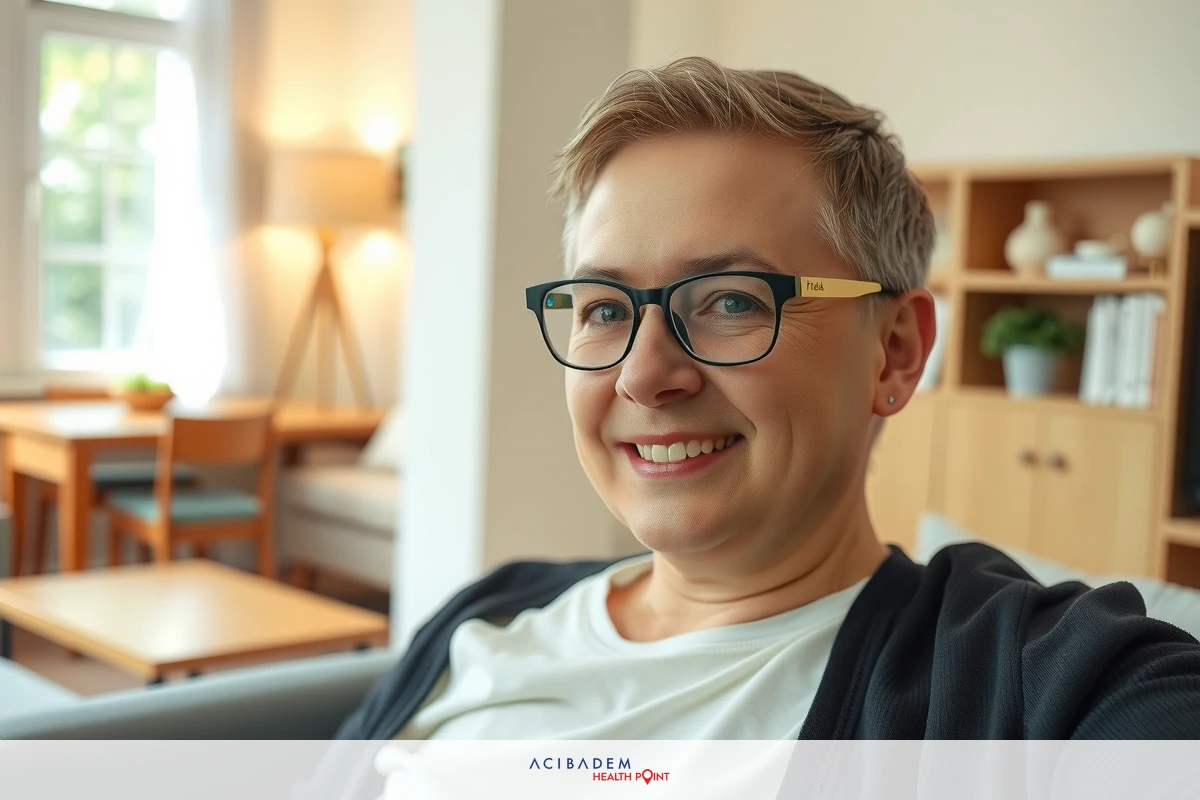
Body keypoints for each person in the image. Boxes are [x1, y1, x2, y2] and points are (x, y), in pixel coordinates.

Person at [336, 56, 1200, 741]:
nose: (643, 375)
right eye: (604, 309)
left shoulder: (1043, 683)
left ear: (895, 354)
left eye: (730, 302)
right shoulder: (493, 614)